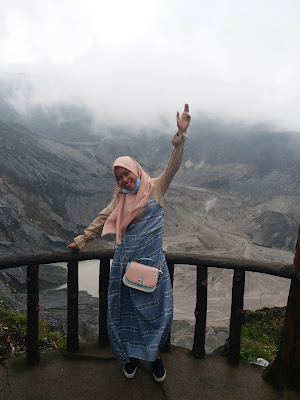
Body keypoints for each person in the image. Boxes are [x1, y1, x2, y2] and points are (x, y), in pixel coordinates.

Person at [67, 104, 191, 382]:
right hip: (124, 267)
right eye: (119, 176)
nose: (124, 179)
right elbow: (102, 219)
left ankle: (155, 357)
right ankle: (130, 357)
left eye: (127, 173)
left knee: (153, 315)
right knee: (126, 315)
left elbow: (173, 165)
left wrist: (180, 136)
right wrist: (82, 240)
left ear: (136, 170)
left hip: (151, 268)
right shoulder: (119, 199)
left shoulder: (156, 188)